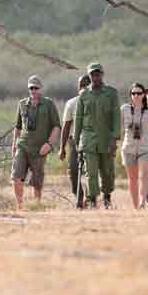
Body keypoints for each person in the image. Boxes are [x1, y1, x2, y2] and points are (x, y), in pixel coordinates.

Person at [72, 62, 120, 209]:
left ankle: (107, 197)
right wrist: (76, 141)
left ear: (102, 75)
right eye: (93, 74)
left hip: (106, 138)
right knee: (91, 172)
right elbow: (78, 119)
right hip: (88, 140)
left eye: (98, 74)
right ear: (90, 76)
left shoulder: (111, 93)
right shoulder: (83, 94)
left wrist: (115, 138)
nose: (95, 77)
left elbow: (116, 117)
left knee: (107, 172)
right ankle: (92, 200)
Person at [11, 74, 61, 209]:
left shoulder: (48, 104)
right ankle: (20, 207)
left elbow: (56, 126)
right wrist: (14, 145)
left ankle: (36, 206)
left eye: (36, 88)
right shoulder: (22, 104)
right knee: (16, 176)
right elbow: (18, 127)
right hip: (23, 146)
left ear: (40, 88)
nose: (33, 91)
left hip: (39, 149)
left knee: (37, 181)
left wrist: (49, 144)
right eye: (31, 88)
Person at [120, 83, 148, 210]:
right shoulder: (124, 109)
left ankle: (142, 203)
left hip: (146, 148)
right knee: (132, 179)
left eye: (139, 93)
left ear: (144, 95)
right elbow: (119, 129)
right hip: (129, 148)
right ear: (130, 95)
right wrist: (115, 143)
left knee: (143, 176)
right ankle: (136, 207)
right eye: (133, 93)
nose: (136, 96)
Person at [58, 73, 91, 204]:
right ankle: (79, 195)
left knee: (91, 170)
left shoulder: (95, 102)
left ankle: (89, 198)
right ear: (78, 87)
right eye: (81, 85)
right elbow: (66, 126)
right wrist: (62, 148)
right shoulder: (71, 103)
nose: (83, 88)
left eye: (86, 85)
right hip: (75, 141)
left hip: (91, 140)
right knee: (73, 171)